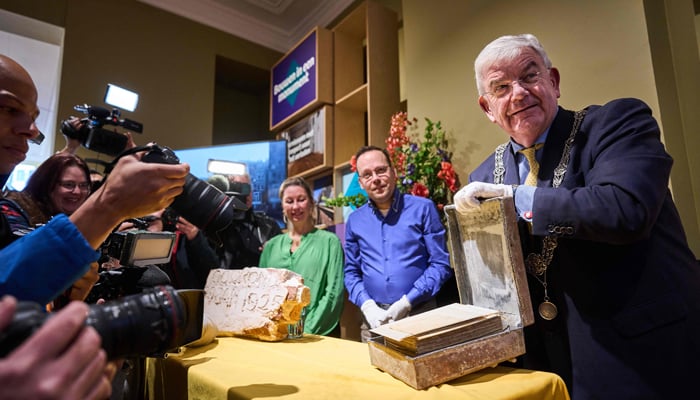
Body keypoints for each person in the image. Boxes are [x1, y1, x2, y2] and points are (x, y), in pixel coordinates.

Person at [453, 34, 700, 399]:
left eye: (529, 76)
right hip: (546, 366)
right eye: (501, 87)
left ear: (553, 81)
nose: (518, 93)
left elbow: (624, 209)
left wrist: (516, 197)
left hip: (641, 357)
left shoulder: (616, 124)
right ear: (488, 108)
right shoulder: (483, 176)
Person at [0, 54, 188, 398]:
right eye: (9, 109)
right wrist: (108, 205)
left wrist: (72, 304)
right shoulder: (15, 210)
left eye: (32, 116)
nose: (30, 129)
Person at [344, 146, 453, 342]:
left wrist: (406, 302)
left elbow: (440, 264)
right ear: (360, 183)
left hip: (421, 315)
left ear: (394, 172)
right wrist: (367, 306)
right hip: (373, 323)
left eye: (381, 170)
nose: (375, 178)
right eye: (367, 175)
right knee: (371, 372)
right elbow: (351, 273)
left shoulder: (423, 209)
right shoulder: (355, 221)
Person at [0, 152, 99, 307]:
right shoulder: (13, 207)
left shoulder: (70, 216)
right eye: (69, 185)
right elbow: (25, 256)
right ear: (47, 185)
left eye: (84, 185)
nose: (78, 192)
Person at [259, 177, 344, 336]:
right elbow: (262, 292)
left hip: (318, 334)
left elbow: (333, 293)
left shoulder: (330, 242)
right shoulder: (270, 247)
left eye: (301, 199)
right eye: (289, 201)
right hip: (277, 334)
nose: (295, 206)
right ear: (283, 207)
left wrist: (306, 330)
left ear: (311, 203)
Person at [217, 172, 281, 269]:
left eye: (247, 188)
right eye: (238, 188)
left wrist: (272, 254)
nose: (245, 194)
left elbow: (282, 263)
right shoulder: (214, 226)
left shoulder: (269, 226)